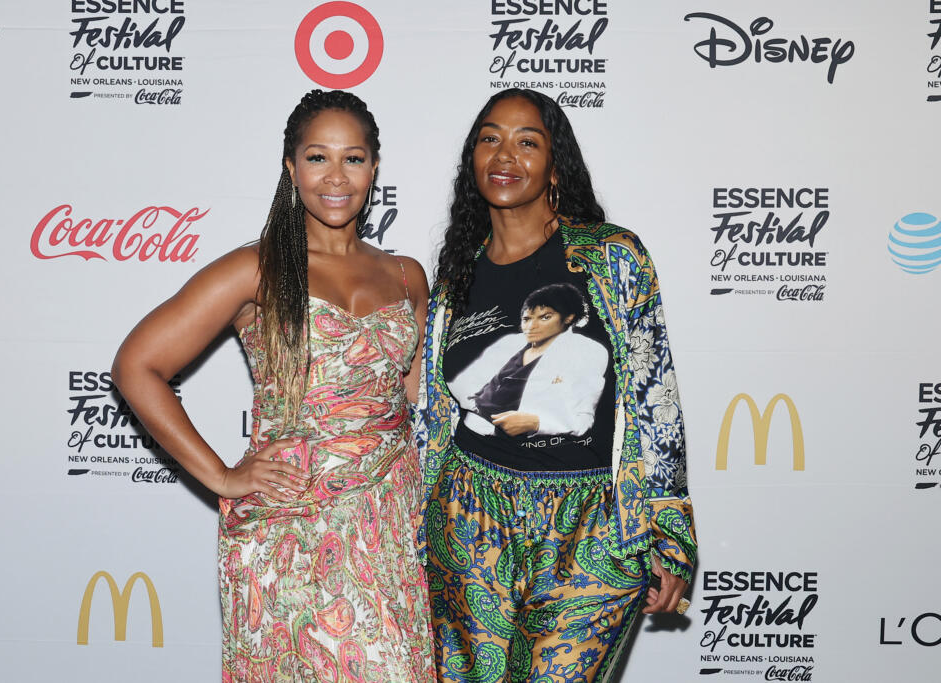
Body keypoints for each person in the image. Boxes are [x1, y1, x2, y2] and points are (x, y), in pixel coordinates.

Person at [112, 89, 434, 683]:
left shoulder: (406, 275)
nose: (335, 176)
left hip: (390, 522)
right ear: (291, 168)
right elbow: (137, 365)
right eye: (317, 158)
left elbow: (423, 405)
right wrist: (222, 476)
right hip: (291, 530)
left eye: (353, 158)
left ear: (375, 168)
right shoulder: (256, 268)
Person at [415, 89, 698, 682]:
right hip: (469, 521)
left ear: (554, 163)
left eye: (527, 142)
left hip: (589, 524)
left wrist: (670, 531)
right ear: (472, 158)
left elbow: (655, 397)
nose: (505, 155)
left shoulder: (610, 257)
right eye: (489, 138)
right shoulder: (454, 273)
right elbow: (437, 411)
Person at [448, 282, 609, 446]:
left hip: (531, 453)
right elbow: (466, 383)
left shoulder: (587, 351)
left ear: (569, 317)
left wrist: (536, 423)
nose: (532, 326)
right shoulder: (510, 342)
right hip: (474, 439)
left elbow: (583, 418)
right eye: (527, 319)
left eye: (545, 317)